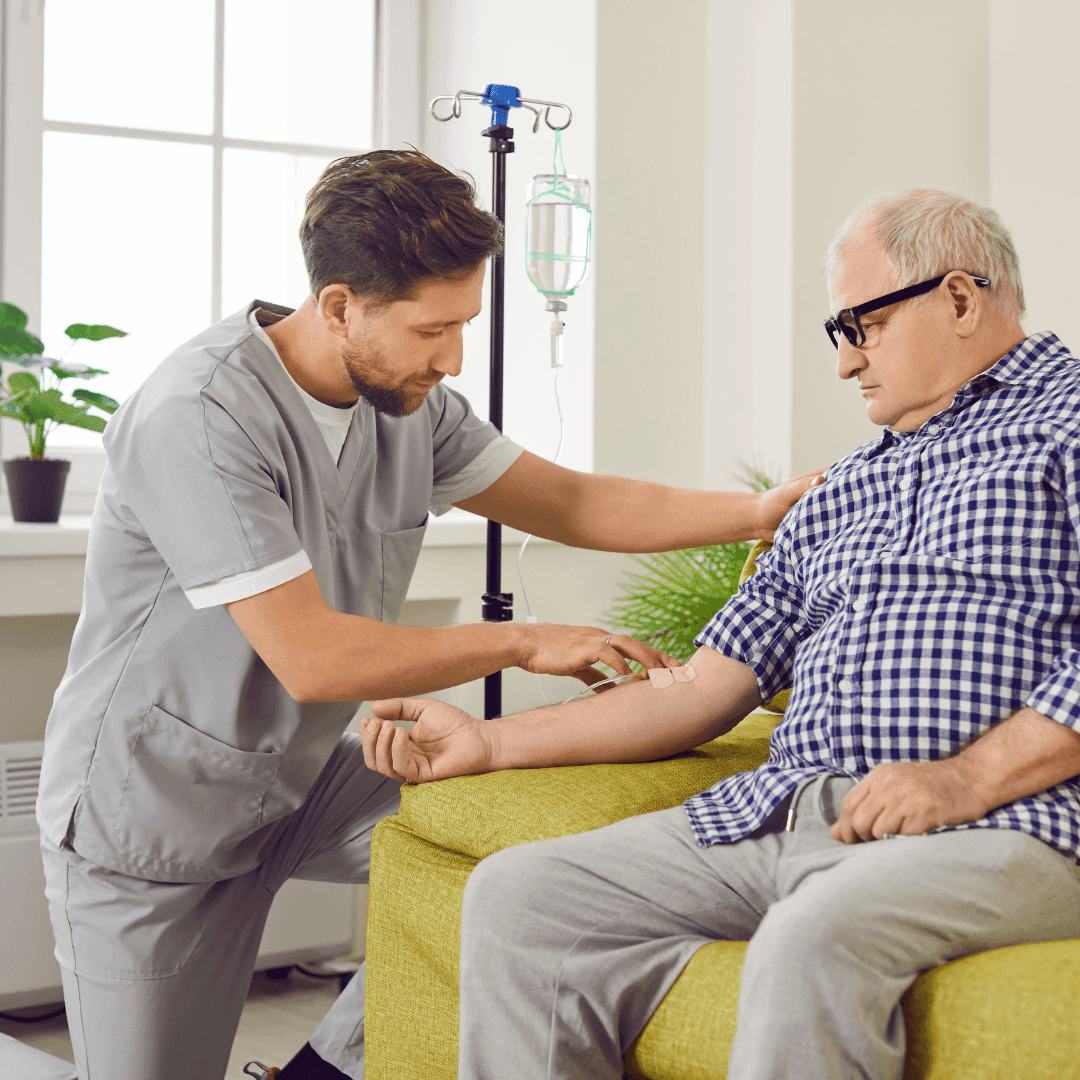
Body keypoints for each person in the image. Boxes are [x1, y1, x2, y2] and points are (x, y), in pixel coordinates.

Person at [35, 150, 818, 1080]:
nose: (452, 359)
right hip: (154, 810)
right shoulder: (198, 414)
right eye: (433, 329)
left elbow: (569, 503)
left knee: (513, 843)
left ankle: (321, 1074)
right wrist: (530, 639)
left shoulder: (408, 402)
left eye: (465, 326)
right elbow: (314, 659)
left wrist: (758, 511)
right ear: (338, 306)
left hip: (304, 777)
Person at [360, 188, 1080, 1080]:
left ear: (963, 299)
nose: (846, 363)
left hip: (1010, 823)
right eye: (838, 334)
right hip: (788, 816)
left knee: (816, 933)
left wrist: (967, 776)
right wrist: (487, 740)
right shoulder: (840, 493)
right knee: (521, 896)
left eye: (863, 325)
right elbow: (704, 689)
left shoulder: (1067, 427)